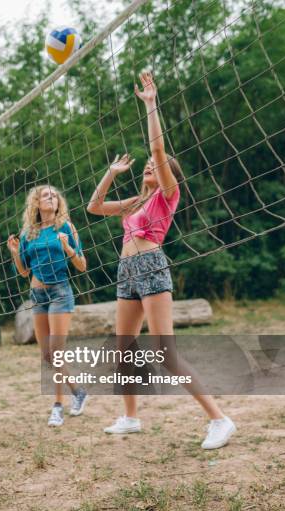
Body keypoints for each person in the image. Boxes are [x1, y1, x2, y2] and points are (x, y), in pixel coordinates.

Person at [86, 72, 236, 450]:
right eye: (150, 167)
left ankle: (219, 420)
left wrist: (151, 105)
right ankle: (130, 417)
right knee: (123, 347)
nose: (152, 166)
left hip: (151, 267)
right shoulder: (135, 202)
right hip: (126, 271)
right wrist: (110, 172)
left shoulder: (168, 195)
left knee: (165, 352)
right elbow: (93, 206)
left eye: (160, 164)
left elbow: (156, 151)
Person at [8, 184, 88, 427]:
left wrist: (67, 247)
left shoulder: (66, 227)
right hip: (37, 296)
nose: (51, 198)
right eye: (46, 195)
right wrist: (14, 252)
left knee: (56, 352)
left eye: (55, 195)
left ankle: (57, 407)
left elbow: (82, 265)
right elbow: (23, 271)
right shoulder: (28, 234)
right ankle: (79, 392)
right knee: (47, 355)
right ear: (37, 203)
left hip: (60, 293)